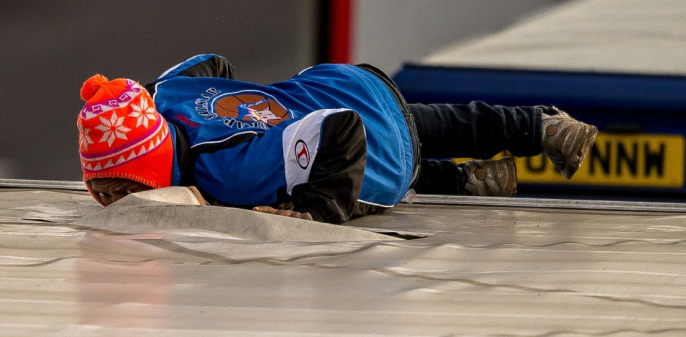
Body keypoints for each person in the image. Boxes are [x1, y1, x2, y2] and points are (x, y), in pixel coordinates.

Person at [77, 54, 597, 223]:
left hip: (373, 144)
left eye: (120, 190)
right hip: (340, 81)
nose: (108, 201)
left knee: (351, 178)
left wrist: (315, 215)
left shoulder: (225, 172)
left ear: (149, 170)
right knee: (434, 120)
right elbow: (212, 66)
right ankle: (539, 129)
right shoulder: (163, 97)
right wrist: (134, 104)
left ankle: (469, 176)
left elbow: (342, 133)